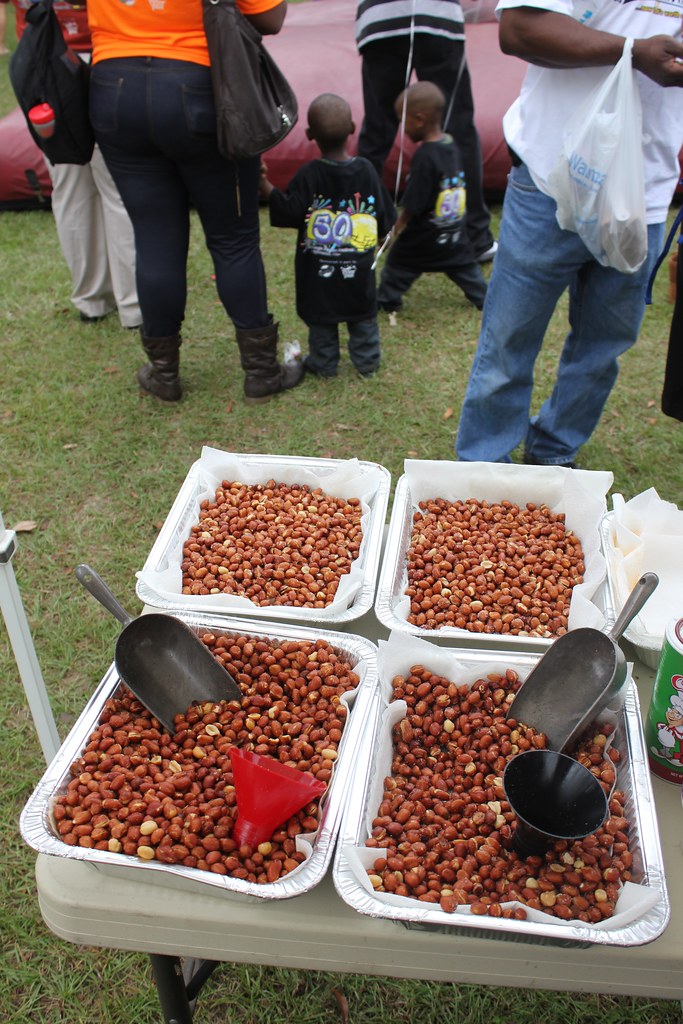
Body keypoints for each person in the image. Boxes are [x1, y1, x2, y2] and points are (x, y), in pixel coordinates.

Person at [455, 1, 683, 468]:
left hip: (645, 191)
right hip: (550, 176)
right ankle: (484, 468)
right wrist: (633, 51)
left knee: (603, 348)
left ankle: (554, 454)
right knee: (509, 339)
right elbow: (519, 29)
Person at [84, 0, 303, 405]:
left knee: (154, 237)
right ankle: (261, 371)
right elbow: (270, 18)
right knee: (233, 238)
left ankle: (164, 373)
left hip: (114, 85)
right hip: (201, 82)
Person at [4, 0, 140, 329]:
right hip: (102, 51)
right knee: (117, 183)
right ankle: (134, 304)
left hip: (44, 56)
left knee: (70, 180)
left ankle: (94, 299)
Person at [259, 93, 396, 379]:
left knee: (321, 320)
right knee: (363, 316)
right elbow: (384, 214)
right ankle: (367, 363)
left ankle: (324, 363)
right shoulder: (367, 171)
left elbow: (290, 210)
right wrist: (385, 234)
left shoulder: (309, 174)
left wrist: (264, 185)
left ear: (310, 135)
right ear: (353, 128)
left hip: (317, 276)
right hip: (357, 272)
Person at [355, 0, 496, 263]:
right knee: (458, 128)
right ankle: (476, 237)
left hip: (380, 19)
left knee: (376, 131)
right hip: (436, 15)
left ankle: (363, 228)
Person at [377, 82, 488, 316]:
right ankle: (484, 298)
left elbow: (414, 203)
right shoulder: (451, 145)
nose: (401, 128)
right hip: (454, 233)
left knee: (398, 263)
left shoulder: (424, 157)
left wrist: (396, 228)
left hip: (424, 238)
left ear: (419, 119)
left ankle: (388, 299)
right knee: (465, 266)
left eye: (402, 120)